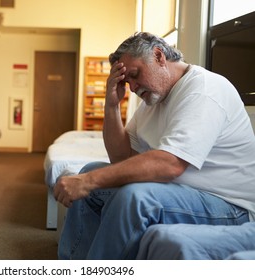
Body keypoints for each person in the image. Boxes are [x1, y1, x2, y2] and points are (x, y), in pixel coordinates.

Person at [54, 32, 255, 260]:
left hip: (229, 206)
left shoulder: (204, 89)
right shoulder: (152, 102)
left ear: (159, 56)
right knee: (90, 169)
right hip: (181, 194)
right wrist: (111, 106)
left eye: (135, 75)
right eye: (126, 81)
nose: (132, 87)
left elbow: (170, 164)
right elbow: (121, 160)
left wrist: (87, 182)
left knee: (135, 197)